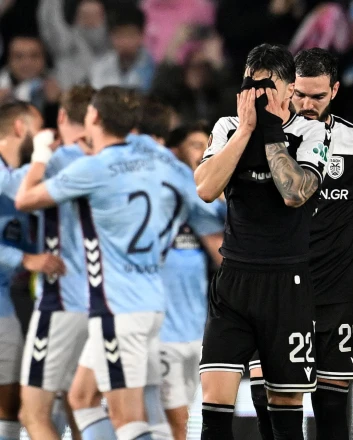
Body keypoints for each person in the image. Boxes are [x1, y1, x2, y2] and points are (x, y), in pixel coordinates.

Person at [15, 85, 222, 440]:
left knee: (127, 419)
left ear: (94, 116)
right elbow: (210, 214)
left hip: (118, 308)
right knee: (82, 398)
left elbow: (25, 199)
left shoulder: (95, 168)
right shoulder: (166, 164)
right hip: (152, 303)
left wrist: (39, 155)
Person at [248, 47, 353, 440]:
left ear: (335, 90)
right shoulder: (265, 137)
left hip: (338, 298)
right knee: (269, 408)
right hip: (276, 295)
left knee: (332, 415)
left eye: (317, 96)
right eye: (299, 94)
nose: (306, 104)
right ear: (288, 88)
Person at [195, 43, 330, 440]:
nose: (255, 95)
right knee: (213, 406)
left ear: (289, 90)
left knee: (284, 410)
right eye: (250, 86)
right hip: (233, 281)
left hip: (286, 284)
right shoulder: (227, 127)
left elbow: (294, 193)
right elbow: (205, 189)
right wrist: (247, 130)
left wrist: (271, 129)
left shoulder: (312, 131)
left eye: (266, 87)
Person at [15, 85, 95, 440]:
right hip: (103, 303)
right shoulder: (105, 161)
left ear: (61, 116)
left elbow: (19, 195)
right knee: (81, 407)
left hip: (61, 302)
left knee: (33, 413)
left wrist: (40, 153)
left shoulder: (56, 161)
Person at [0, 101, 65, 440]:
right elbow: (16, 188)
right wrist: (23, 260)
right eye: (40, 130)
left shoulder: (20, 180)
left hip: (5, 304)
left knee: (11, 401)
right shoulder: (12, 179)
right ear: (20, 128)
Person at [160, 123, 224, 440]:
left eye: (208, 146)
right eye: (196, 145)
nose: (203, 153)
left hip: (196, 331)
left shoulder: (208, 212)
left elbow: (224, 258)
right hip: (161, 331)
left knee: (182, 418)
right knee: (170, 418)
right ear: (175, 152)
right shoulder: (161, 201)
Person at [89, 5, 155, 92]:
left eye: (130, 35)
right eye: (120, 35)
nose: (125, 41)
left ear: (141, 36)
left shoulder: (153, 68)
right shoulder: (100, 67)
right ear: (111, 36)